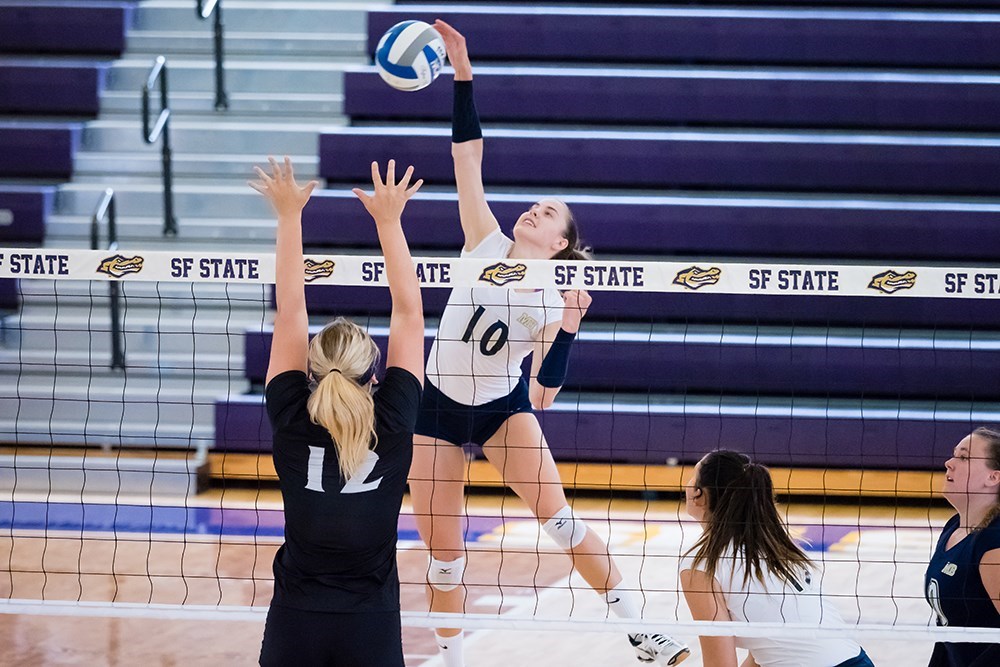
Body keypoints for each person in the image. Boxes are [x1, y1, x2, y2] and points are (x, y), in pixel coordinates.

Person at [408, 20, 689, 667]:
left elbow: (543, 393)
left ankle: (643, 631)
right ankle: (452, 663)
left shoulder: (551, 299)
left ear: (560, 243)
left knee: (561, 521)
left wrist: (568, 329)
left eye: (548, 213)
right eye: (534, 205)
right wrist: (463, 74)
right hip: (435, 408)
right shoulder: (482, 241)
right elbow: (467, 157)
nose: (533, 210)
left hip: (503, 409)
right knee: (445, 559)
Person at [252, 156, 425, 666]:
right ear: (374, 376)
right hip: (370, 625)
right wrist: (389, 222)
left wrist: (289, 216)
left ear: (311, 372)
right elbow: (409, 311)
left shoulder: (290, 414)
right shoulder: (393, 418)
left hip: (295, 621)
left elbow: (290, 310)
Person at [680, 450, 874, 667]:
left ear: (699, 495)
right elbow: (768, 649)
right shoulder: (775, 544)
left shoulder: (700, 565)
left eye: (692, 477)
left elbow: (721, 664)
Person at [925, 427, 1000, 666]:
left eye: (964, 457)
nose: (949, 463)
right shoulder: (954, 527)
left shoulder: (993, 543)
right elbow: (947, 628)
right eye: (954, 454)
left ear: (993, 477)